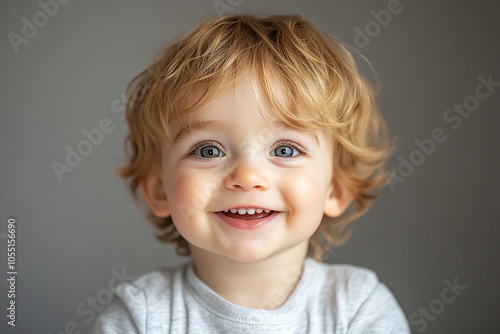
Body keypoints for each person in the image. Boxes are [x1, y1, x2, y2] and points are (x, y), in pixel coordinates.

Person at [90, 13, 410, 333]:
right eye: (208, 150)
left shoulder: (358, 308)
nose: (247, 176)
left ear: (335, 189)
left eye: (285, 150)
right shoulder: (139, 316)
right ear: (159, 190)